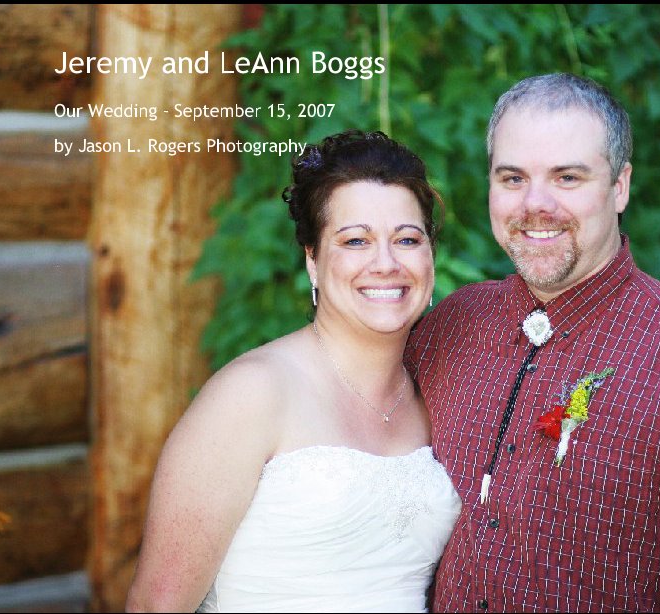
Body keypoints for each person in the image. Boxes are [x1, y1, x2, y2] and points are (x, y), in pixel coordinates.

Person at [406, 73, 660, 612]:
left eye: (567, 178)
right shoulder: (447, 328)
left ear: (619, 186)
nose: (535, 204)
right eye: (512, 178)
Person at [125, 129, 461, 613]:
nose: (385, 263)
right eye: (355, 240)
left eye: (407, 239)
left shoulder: (434, 393)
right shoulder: (253, 393)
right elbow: (157, 604)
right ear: (313, 262)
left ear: (429, 256)